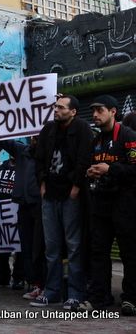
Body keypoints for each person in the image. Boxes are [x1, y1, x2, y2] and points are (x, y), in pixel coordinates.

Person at [31, 94, 93, 309]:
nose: (56, 110)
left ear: (73, 111)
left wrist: (76, 188)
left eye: (60, 107)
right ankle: (52, 291)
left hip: (70, 196)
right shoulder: (49, 129)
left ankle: (75, 293)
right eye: (55, 107)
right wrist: (42, 184)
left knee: (74, 246)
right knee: (52, 246)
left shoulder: (82, 128)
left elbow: (85, 159)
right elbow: (39, 158)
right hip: (50, 195)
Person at [78, 95, 136, 316]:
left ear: (113, 111)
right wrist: (91, 172)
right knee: (98, 252)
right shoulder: (96, 141)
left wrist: (110, 169)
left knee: (129, 253)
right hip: (101, 205)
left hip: (125, 206)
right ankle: (99, 297)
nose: (94, 115)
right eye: (92, 111)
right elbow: (92, 167)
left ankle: (131, 298)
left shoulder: (129, 137)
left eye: (99, 110)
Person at [0, 137, 45, 300]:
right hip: (24, 204)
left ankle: (43, 283)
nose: (34, 137)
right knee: (27, 246)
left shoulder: (49, 151)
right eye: (33, 134)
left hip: (41, 205)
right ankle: (34, 283)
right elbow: (2, 139)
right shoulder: (23, 151)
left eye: (38, 134)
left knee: (41, 247)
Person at [0, 155, 24, 290]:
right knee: (0, 244)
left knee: (19, 247)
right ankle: (4, 275)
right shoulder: (2, 166)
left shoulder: (23, 166)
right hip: (1, 209)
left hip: (17, 208)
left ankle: (18, 277)